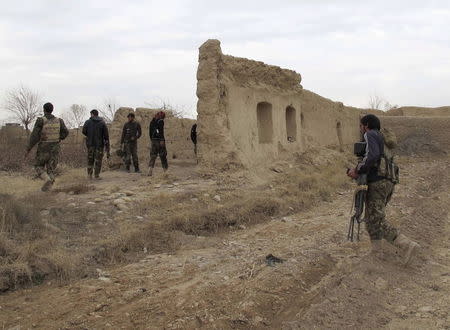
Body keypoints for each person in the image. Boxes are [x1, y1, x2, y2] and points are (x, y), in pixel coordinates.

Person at [347, 114, 420, 265]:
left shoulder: (370, 134)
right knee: (372, 217)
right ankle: (376, 253)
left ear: (366, 125)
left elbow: (372, 156)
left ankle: (406, 245)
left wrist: (357, 170)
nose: (361, 130)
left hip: (378, 183)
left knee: (376, 220)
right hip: (387, 183)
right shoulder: (383, 140)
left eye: (361, 126)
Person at [26, 102, 69, 191]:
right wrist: (59, 138)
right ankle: (47, 190)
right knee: (51, 169)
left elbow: (34, 136)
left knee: (38, 166)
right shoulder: (59, 120)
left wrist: (28, 148)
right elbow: (66, 132)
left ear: (44, 110)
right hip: (55, 148)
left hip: (43, 148)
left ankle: (47, 180)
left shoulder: (41, 120)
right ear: (52, 110)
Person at [82, 109, 110, 179]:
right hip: (99, 145)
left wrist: (89, 135)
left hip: (90, 145)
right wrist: (107, 147)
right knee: (98, 160)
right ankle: (96, 175)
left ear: (92, 114)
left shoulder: (87, 122)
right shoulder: (102, 123)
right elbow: (106, 136)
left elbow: (83, 131)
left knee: (90, 160)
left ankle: (89, 175)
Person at [147, 111, 168, 176]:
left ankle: (150, 171)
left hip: (153, 140)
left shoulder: (152, 122)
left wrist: (152, 140)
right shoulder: (161, 121)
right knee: (163, 155)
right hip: (159, 141)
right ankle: (165, 172)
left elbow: (150, 132)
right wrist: (162, 139)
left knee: (153, 155)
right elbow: (161, 131)